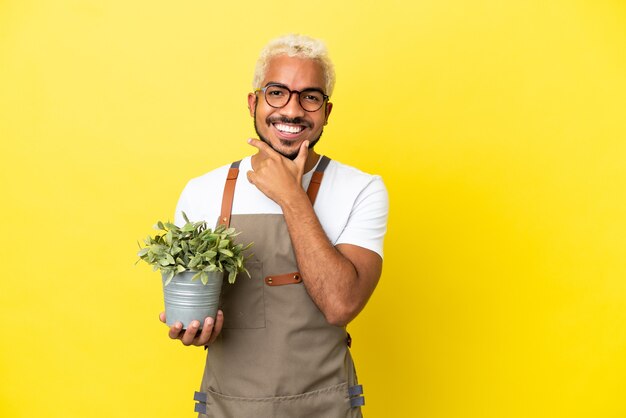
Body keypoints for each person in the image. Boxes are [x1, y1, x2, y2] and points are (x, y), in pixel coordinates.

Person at [159, 34, 389, 417]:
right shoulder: (203, 190)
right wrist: (196, 327)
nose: (293, 110)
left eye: (310, 97)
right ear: (255, 102)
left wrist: (291, 196)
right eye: (277, 93)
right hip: (228, 407)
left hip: (327, 406)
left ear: (326, 111)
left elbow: (341, 305)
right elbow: (193, 304)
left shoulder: (362, 188)